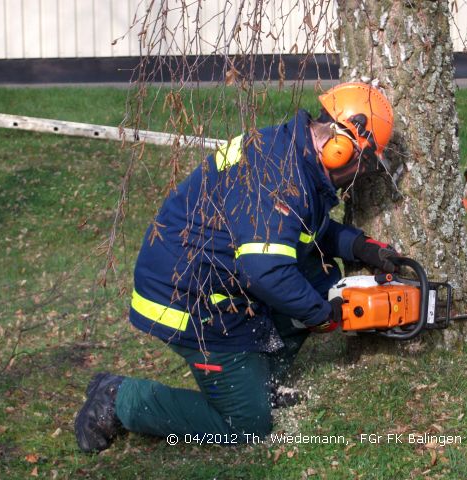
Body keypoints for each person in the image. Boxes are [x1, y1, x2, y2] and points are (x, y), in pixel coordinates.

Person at [74, 82, 398, 452]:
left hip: (223, 280)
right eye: (364, 159)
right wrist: (323, 315)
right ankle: (120, 399)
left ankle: (259, 381)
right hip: (189, 301)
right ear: (340, 147)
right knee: (245, 425)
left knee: (318, 276)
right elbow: (267, 272)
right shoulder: (280, 177)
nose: (361, 172)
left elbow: (301, 229)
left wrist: (362, 247)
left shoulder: (292, 152)